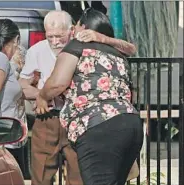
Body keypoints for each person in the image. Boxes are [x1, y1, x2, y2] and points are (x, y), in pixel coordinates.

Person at [19, 10, 137, 185]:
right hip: (50, 116)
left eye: (59, 36)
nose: (54, 41)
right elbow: (23, 84)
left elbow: (58, 83)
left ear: (72, 30)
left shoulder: (81, 46)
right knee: (41, 172)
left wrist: (45, 94)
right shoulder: (37, 51)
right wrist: (40, 96)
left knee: (80, 175)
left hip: (81, 119)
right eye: (50, 36)